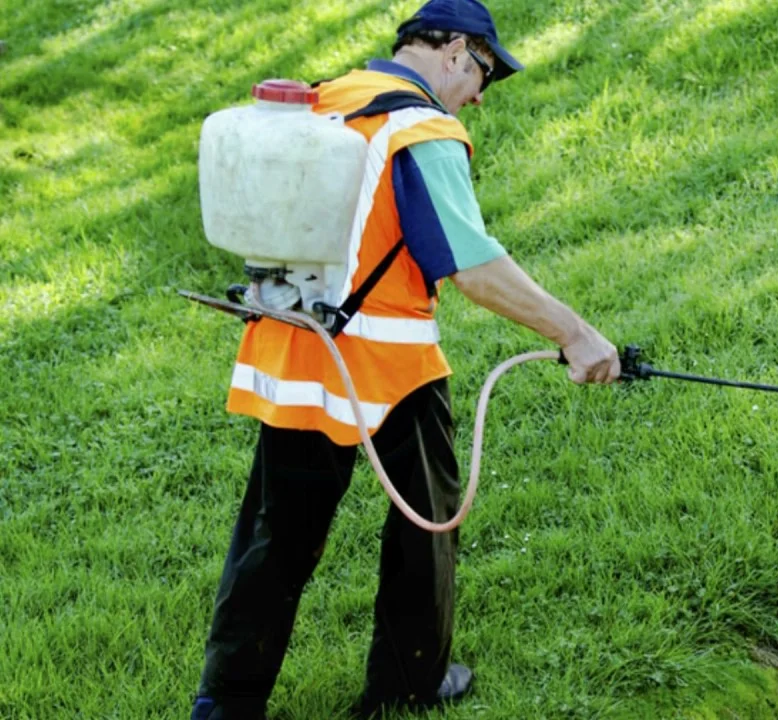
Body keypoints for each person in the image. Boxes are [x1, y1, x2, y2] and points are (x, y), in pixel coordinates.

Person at [190, 1, 621, 717]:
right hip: (388, 369)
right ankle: (405, 688)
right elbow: (470, 264)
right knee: (428, 523)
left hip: (295, 351)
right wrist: (575, 332)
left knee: (276, 536)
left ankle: (225, 704)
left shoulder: (331, 99)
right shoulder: (420, 128)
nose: (480, 94)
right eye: (484, 72)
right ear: (453, 49)